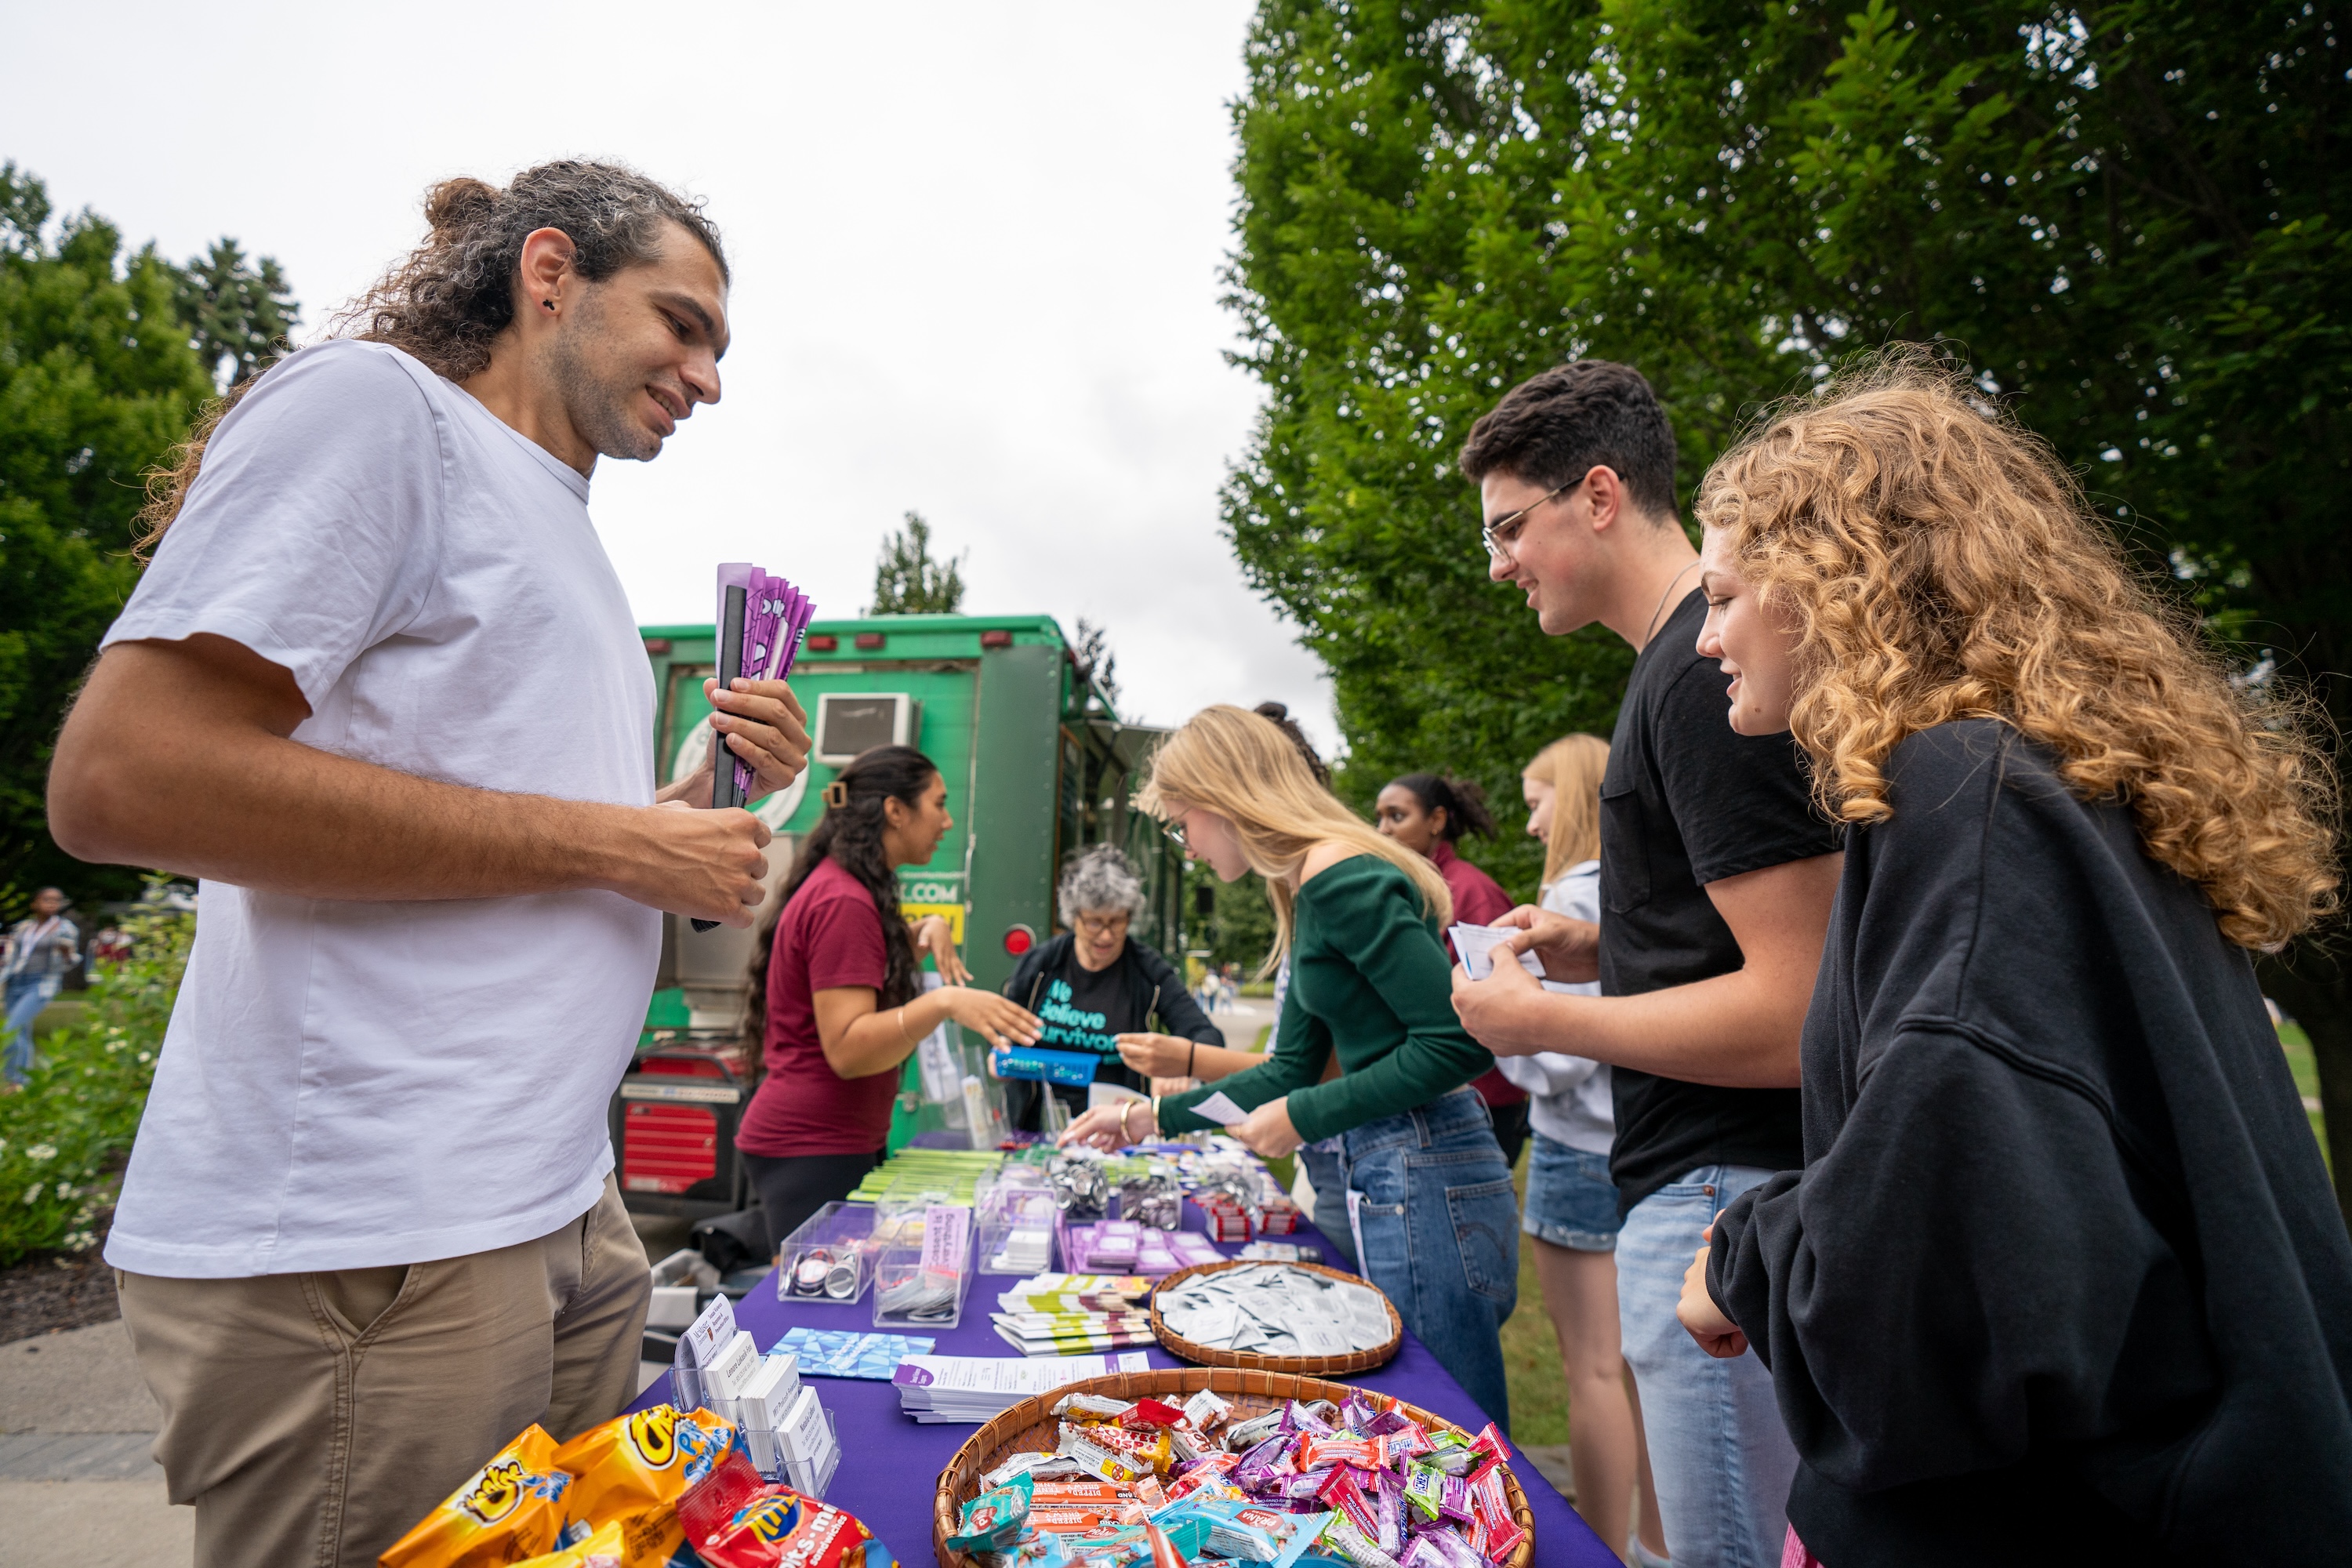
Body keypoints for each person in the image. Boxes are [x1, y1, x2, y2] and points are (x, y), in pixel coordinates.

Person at [46, 163, 815, 1568]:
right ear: (548, 275)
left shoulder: (561, 525)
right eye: (681, 323)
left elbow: (490, 831)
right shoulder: (378, 412)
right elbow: (124, 777)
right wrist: (620, 840)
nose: (706, 377)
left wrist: (678, 809)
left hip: (548, 1209)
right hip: (376, 1242)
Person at [1672, 360, 2352, 1563]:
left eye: (1724, 598)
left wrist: (1742, 1264)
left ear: (1837, 582)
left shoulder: (1965, 800)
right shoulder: (2053, 786)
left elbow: (1946, 1262)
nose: (1706, 640)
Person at [1449, 361, 1843, 1567]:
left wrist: (1542, 1022)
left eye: (1511, 527)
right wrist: (1599, 946)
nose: (1499, 563)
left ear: (1602, 494)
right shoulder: (1683, 666)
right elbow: (1740, 939)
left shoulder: (1696, 675)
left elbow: (1802, 1007)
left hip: (1728, 1195)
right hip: (1721, 1189)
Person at [1061, 705, 1520, 1430]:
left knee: (1454, 1430)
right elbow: (1288, 1068)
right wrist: (1147, 1118)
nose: (1187, 848)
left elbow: (1458, 1044)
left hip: (1425, 1172)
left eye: (1184, 825)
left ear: (1224, 799)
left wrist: (1304, 1116)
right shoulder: (1312, 884)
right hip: (1402, 1173)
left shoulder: (1340, 878)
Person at [738, 746, 1041, 1245]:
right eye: (939, 804)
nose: (947, 821)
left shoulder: (848, 890)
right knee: (816, 1299)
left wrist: (920, 931)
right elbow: (849, 1049)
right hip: (812, 1145)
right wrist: (943, 1003)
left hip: (829, 1140)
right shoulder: (844, 901)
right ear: (896, 811)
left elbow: (855, 962)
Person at [1501, 736, 1667, 1566]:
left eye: (1538, 800)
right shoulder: (1646, 886)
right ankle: (1655, 1541)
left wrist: (1495, 1016)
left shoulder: (1572, 893)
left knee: (1595, 1371)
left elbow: (1553, 1056)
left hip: (1575, 1146)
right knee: (1643, 1367)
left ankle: (1602, 1547)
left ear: (1572, 799)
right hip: (1642, 1144)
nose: (1532, 822)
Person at [995, 844, 1220, 1131]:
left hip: (1117, 1129)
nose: (1106, 935)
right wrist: (1001, 1053)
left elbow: (1206, 1034)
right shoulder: (1042, 964)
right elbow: (1005, 1030)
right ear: (1073, 917)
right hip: (1037, 1126)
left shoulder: (1147, 970)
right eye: (1094, 922)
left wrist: (1183, 1063)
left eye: (1117, 921)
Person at [1374, 772, 1534, 1170]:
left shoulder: (1471, 893)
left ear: (1436, 820)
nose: (1382, 830)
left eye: (1396, 816)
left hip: (1480, 1098)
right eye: (1378, 818)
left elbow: (1498, 1002)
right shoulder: (1408, 887)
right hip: (1426, 1089)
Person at [2, 887, 80, 1089]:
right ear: (35, 903)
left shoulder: (64, 928)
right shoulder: (24, 927)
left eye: (57, 900)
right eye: (46, 899)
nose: (52, 903)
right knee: (22, 1032)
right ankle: (22, 1081)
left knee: (12, 1028)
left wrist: (66, 952)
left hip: (40, 983)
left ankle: (15, 1081)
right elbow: (14, 957)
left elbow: (71, 961)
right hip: (16, 981)